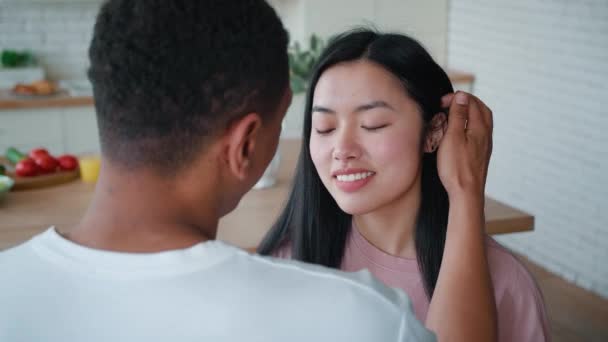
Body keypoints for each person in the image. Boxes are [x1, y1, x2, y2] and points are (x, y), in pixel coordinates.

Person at [0, 2, 495, 341]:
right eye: (308, 126)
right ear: (245, 144)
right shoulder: (358, 317)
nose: (341, 148)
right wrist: (468, 191)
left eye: (372, 123)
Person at [259, 29, 550, 342]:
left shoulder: (506, 284)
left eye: (373, 125)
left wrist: (465, 188)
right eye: (325, 127)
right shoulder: (287, 261)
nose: (342, 149)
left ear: (434, 132)